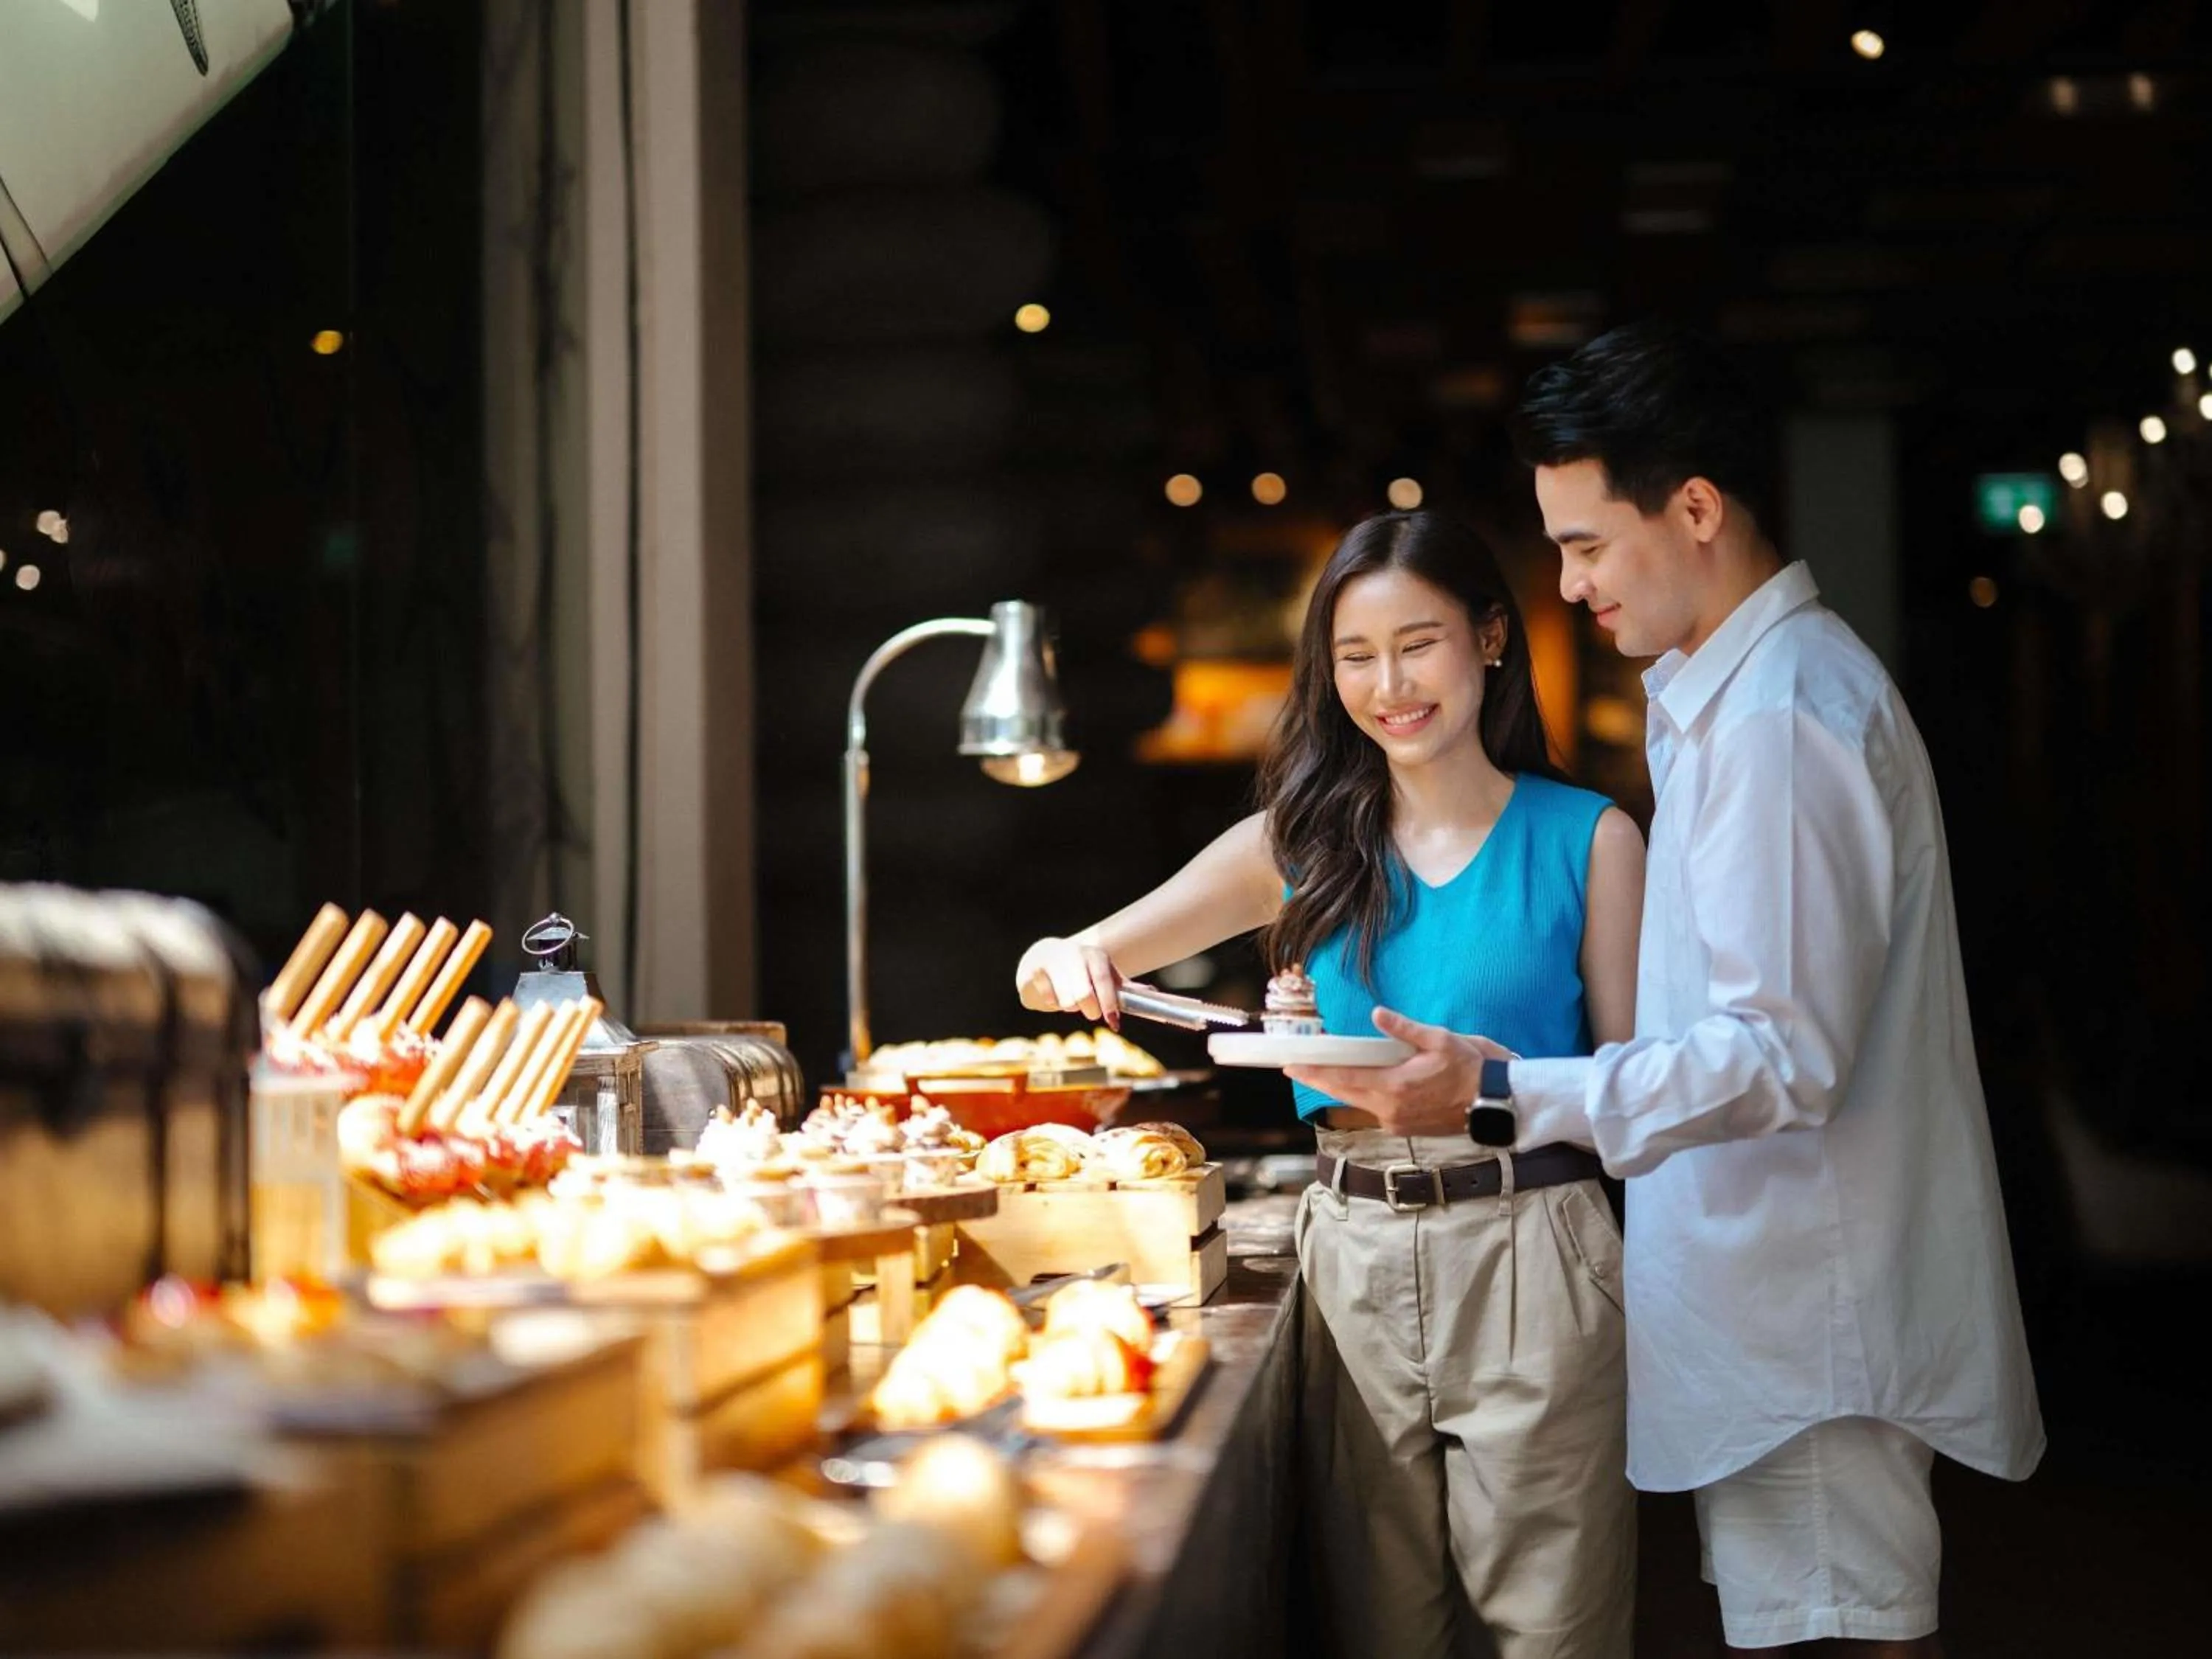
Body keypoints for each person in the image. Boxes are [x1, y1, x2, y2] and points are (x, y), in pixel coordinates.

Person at [1290, 321, 2045, 1658]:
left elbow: (1778, 1056)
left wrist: (1503, 1085)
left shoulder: (1782, 720)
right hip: (1775, 1314)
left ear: (1693, 508)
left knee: (1839, 1633)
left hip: (1811, 1316)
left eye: (1584, 545)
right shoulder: (1728, 698)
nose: (1568, 585)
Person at [1017, 509, 1646, 1659]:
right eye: (1355, 656)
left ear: (1490, 640)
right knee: (1380, 1631)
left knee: (1556, 1634)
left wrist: (1493, 1085)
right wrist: (1067, 960)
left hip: (1537, 1241)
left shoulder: (1590, 838)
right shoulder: (1298, 843)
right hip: (1349, 1249)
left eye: (1420, 644)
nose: (1389, 684)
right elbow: (1068, 962)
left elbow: (1639, 1091)